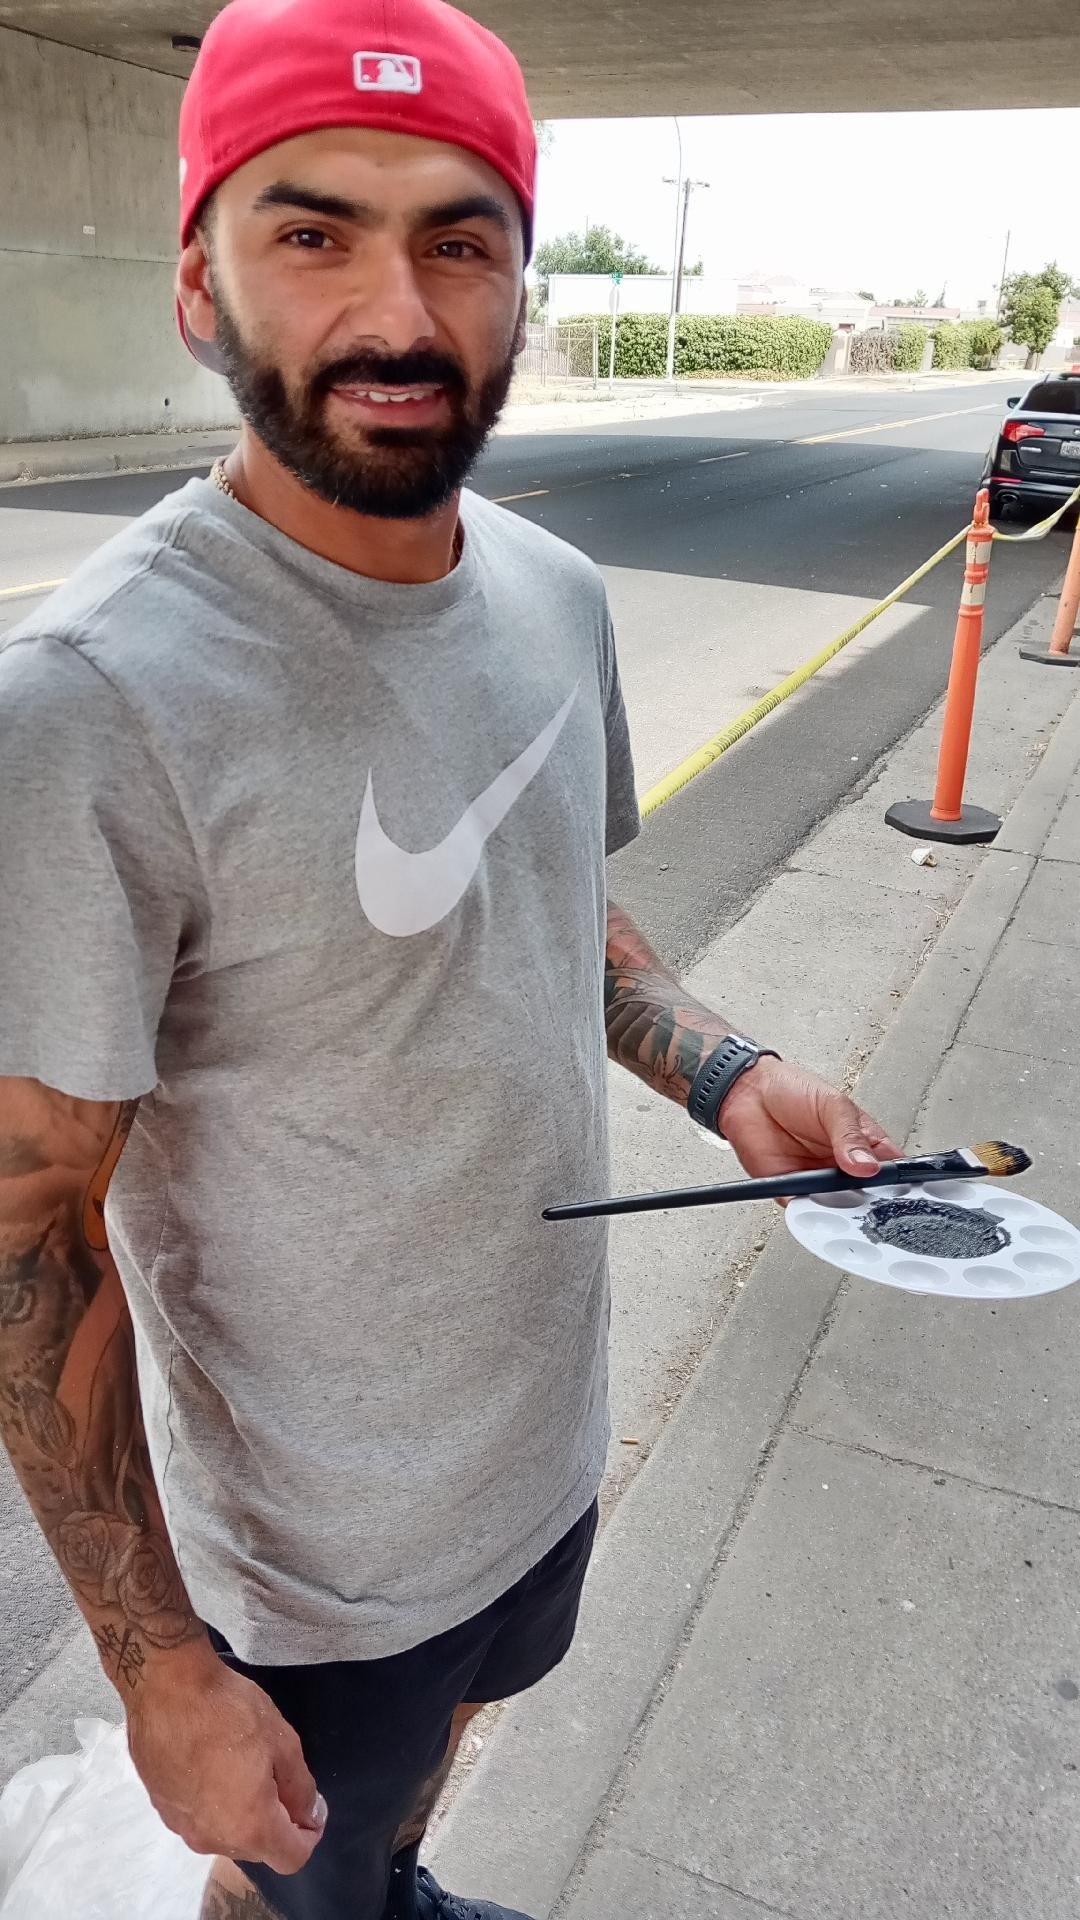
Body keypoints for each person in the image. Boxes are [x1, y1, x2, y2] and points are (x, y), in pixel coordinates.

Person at [0, 2, 899, 1917]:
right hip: (312, 1556)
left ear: (515, 281)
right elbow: (23, 1222)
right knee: (292, 1878)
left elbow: (556, 912)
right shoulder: (90, 707)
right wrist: (158, 1666)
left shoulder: (555, 596)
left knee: (414, 1802)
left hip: (537, 1440)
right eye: (312, 232)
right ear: (198, 282)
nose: (397, 313)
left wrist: (734, 1075)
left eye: (459, 238)